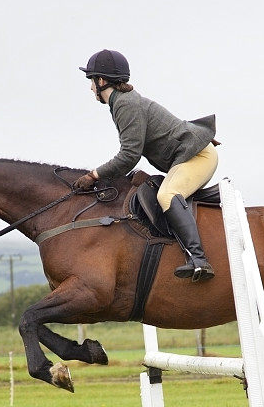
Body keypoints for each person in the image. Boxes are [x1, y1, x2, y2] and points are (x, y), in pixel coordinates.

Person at [75, 49, 218, 282]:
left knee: (168, 195)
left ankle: (199, 260)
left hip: (198, 156)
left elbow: (129, 155)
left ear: (101, 81)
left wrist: (94, 175)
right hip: (189, 155)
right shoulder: (121, 102)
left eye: (92, 81)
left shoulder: (125, 104)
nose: (91, 88)